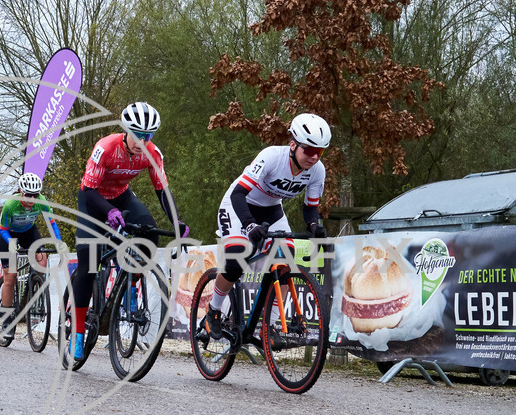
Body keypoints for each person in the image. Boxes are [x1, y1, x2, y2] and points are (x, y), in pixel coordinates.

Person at [67, 102, 186, 363]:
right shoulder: (106, 147)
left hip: (122, 197)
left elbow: (162, 191)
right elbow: (88, 190)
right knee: (88, 265)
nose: (142, 141)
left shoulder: (152, 153)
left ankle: (129, 285)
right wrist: (107, 211)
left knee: (150, 234)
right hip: (93, 200)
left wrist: (177, 222)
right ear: (126, 130)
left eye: (148, 136)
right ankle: (76, 333)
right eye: (138, 134)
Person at [203, 113, 330, 339]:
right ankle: (213, 310)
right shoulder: (272, 157)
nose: (313, 157)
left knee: (286, 260)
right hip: (239, 205)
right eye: (309, 150)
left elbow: (310, 208)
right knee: (236, 258)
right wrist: (249, 225)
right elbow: (239, 194)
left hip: (271, 209)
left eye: (319, 152)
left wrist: (314, 226)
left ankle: (269, 327)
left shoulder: (317, 171)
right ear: (293, 145)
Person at [0, 173, 62, 338]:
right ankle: (6, 318)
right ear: (20, 191)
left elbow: (52, 224)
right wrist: (13, 244)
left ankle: (32, 289)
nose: (32, 199)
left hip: (28, 232)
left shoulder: (41, 201)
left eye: (35, 195)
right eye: (28, 195)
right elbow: (2, 229)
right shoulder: (11, 204)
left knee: (42, 259)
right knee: (10, 277)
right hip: (8, 235)